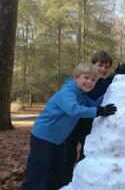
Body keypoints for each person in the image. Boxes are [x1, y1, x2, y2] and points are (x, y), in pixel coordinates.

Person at [21, 62, 117, 190]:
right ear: (76, 77)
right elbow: (74, 110)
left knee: (55, 172)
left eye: (93, 80)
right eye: (86, 78)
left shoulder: (81, 94)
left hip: (58, 140)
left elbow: (92, 104)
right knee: (37, 171)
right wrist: (100, 111)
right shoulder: (67, 92)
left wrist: (111, 94)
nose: (89, 82)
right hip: (43, 137)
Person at [63, 51, 114, 185]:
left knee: (87, 153)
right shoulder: (84, 82)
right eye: (100, 65)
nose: (103, 69)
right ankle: (65, 181)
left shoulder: (106, 84)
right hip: (73, 124)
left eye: (107, 66)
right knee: (68, 155)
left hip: (91, 125)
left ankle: (82, 181)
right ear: (93, 65)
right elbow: (87, 98)